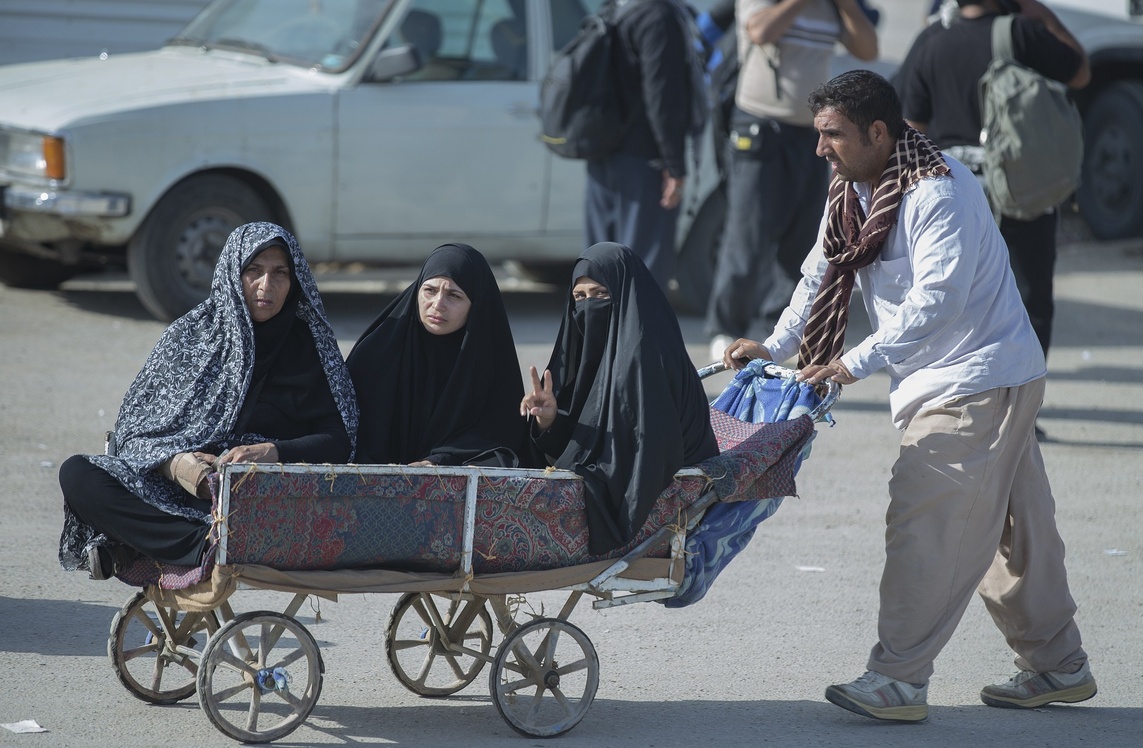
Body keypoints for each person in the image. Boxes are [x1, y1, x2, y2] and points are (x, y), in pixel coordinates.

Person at [721, 70, 1094, 721]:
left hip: (976, 380)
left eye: (832, 135)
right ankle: (1058, 664)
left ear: (878, 132)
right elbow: (818, 273)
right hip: (971, 379)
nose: (820, 149)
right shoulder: (851, 191)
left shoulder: (937, 192)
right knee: (1016, 532)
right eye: (818, 134)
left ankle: (898, 678)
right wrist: (775, 347)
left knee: (924, 521)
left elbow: (937, 300)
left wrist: (852, 362)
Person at [58, 222, 359, 580]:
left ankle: (141, 545)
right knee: (78, 473)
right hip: (180, 491)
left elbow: (339, 442)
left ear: (295, 281)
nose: (267, 286)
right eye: (254, 271)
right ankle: (200, 545)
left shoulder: (311, 348)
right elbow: (133, 432)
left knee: (249, 513)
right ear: (233, 273)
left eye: (280, 273)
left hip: (257, 497)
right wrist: (180, 464)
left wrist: (273, 451)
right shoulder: (192, 336)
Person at [895, 0, 1090, 440]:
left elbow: (911, 123)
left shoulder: (931, 41)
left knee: (956, 301)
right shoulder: (1021, 33)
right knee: (1026, 301)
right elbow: (1080, 72)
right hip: (1020, 190)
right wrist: (1040, 14)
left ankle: (957, 407)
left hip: (953, 194)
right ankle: (1017, 415)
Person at [705, 0, 878, 361]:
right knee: (747, 232)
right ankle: (725, 326)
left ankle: (774, 327)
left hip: (810, 132)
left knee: (802, 236)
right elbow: (759, 30)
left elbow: (868, 49)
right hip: (759, 124)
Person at [521, 242, 719, 555]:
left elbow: (647, 453)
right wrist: (549, 420)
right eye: (579, 298)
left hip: (665, 491)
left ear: (627, 297)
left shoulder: (643, 357)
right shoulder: (595, 354)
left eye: (601, 295)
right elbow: (592, 436)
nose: (588, 307)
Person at [345, 243, 530, 467]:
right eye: (430, 291)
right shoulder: (376, 353)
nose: (438, 305)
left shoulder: (489, 365)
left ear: (476, 305)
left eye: (454, 295)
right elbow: (347, 433)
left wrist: (440, 461)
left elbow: (501, 443)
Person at [584, 0, 706, 292]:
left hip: (602, 153)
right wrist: (675, 165)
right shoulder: (658, 15)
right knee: (643, 270)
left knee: (598, 265)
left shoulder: (614, 8)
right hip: (643, 158)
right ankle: (640, 337)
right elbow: (663, 96)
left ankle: (597, 334)